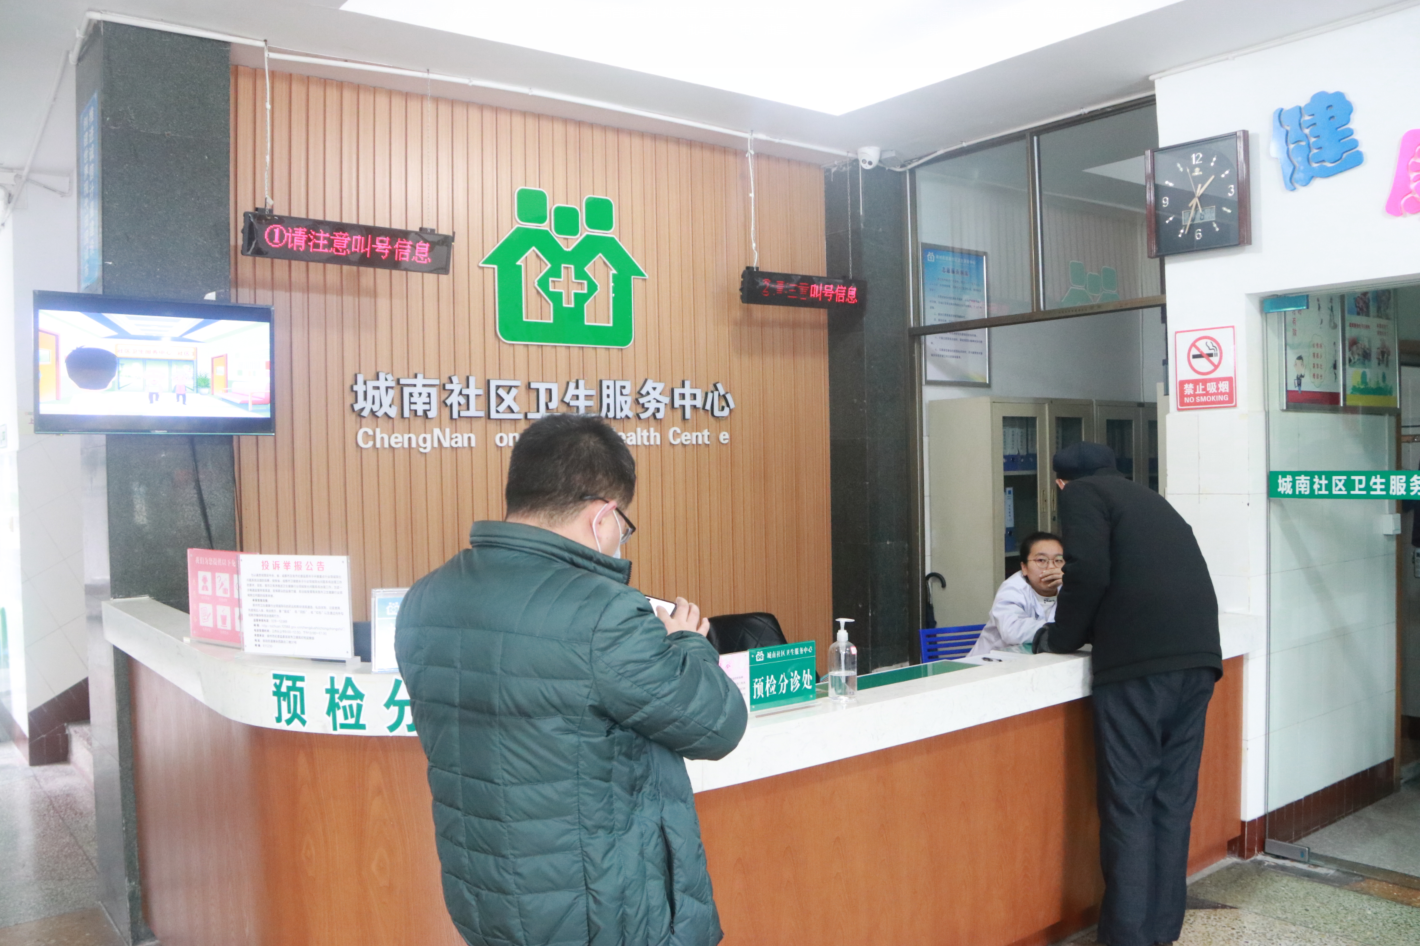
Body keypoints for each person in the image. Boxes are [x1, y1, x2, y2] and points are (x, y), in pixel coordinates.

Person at [395, 413, 748, 946]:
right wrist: (686, 644)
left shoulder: (425, 598)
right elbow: (718, 725)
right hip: (598, 915)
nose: (620, 536)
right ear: (602, 515)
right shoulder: (604, 615)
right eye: (622, 523)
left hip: (484, 901)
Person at [1032, 441, 1221, 946]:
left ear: (1060, 483)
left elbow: (1088, 571)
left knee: (1130, 803)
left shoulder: (1082, 494)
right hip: (1198, 660)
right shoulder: (1149, 500)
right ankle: (1160, 931)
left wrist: (1061, 638)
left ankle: (1127, 938)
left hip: (1140, 669)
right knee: (1172, 802)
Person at [965, 531, 1063, 658]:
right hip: (988, 664)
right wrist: (1063, 630)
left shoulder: (1069, 587)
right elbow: (1012, 631)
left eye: (1058, 560)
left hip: (1035, 662)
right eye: (1041, 560)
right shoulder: (1013, 588)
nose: (1051, 567)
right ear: (1024, 567)